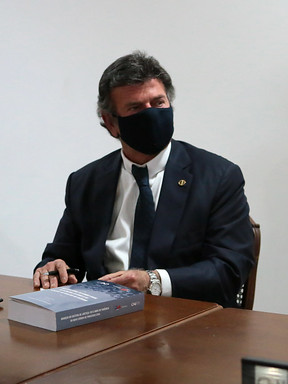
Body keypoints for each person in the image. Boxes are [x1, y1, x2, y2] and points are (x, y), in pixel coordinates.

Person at [33, 51, 254, 306]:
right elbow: (62, 257)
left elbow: (230, 269)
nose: (151, 114)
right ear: (111, 123)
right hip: (104, 319)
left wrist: (151, 281)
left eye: (158, 103)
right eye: (136, 108)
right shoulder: (86, 182)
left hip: (186, 321)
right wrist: (53, 268)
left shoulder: (218, 177)